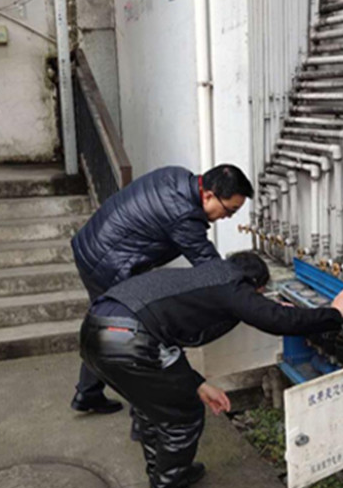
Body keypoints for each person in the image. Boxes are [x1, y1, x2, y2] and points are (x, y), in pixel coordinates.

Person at [80, 252, 343, 488]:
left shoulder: (206, 275)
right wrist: (333, 313)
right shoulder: (233, 285)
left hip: (97, 329)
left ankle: (167, 474)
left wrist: (198, 384)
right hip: (129, 341)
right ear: (255, 285)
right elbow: (277, 319)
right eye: (257, 294)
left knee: (154, 408)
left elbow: (165, 342)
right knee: (181, 418)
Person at [70, 164, 254, 414]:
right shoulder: (184, 215)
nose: (228, 217)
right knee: (138, 331)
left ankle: (88, 392)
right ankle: (146, 409)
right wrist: (248, 294)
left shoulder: (178, 177)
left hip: (93, 247)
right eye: (229, 210)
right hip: (108, 262)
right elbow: (212, 270)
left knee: (107, 325)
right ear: (209, 195)